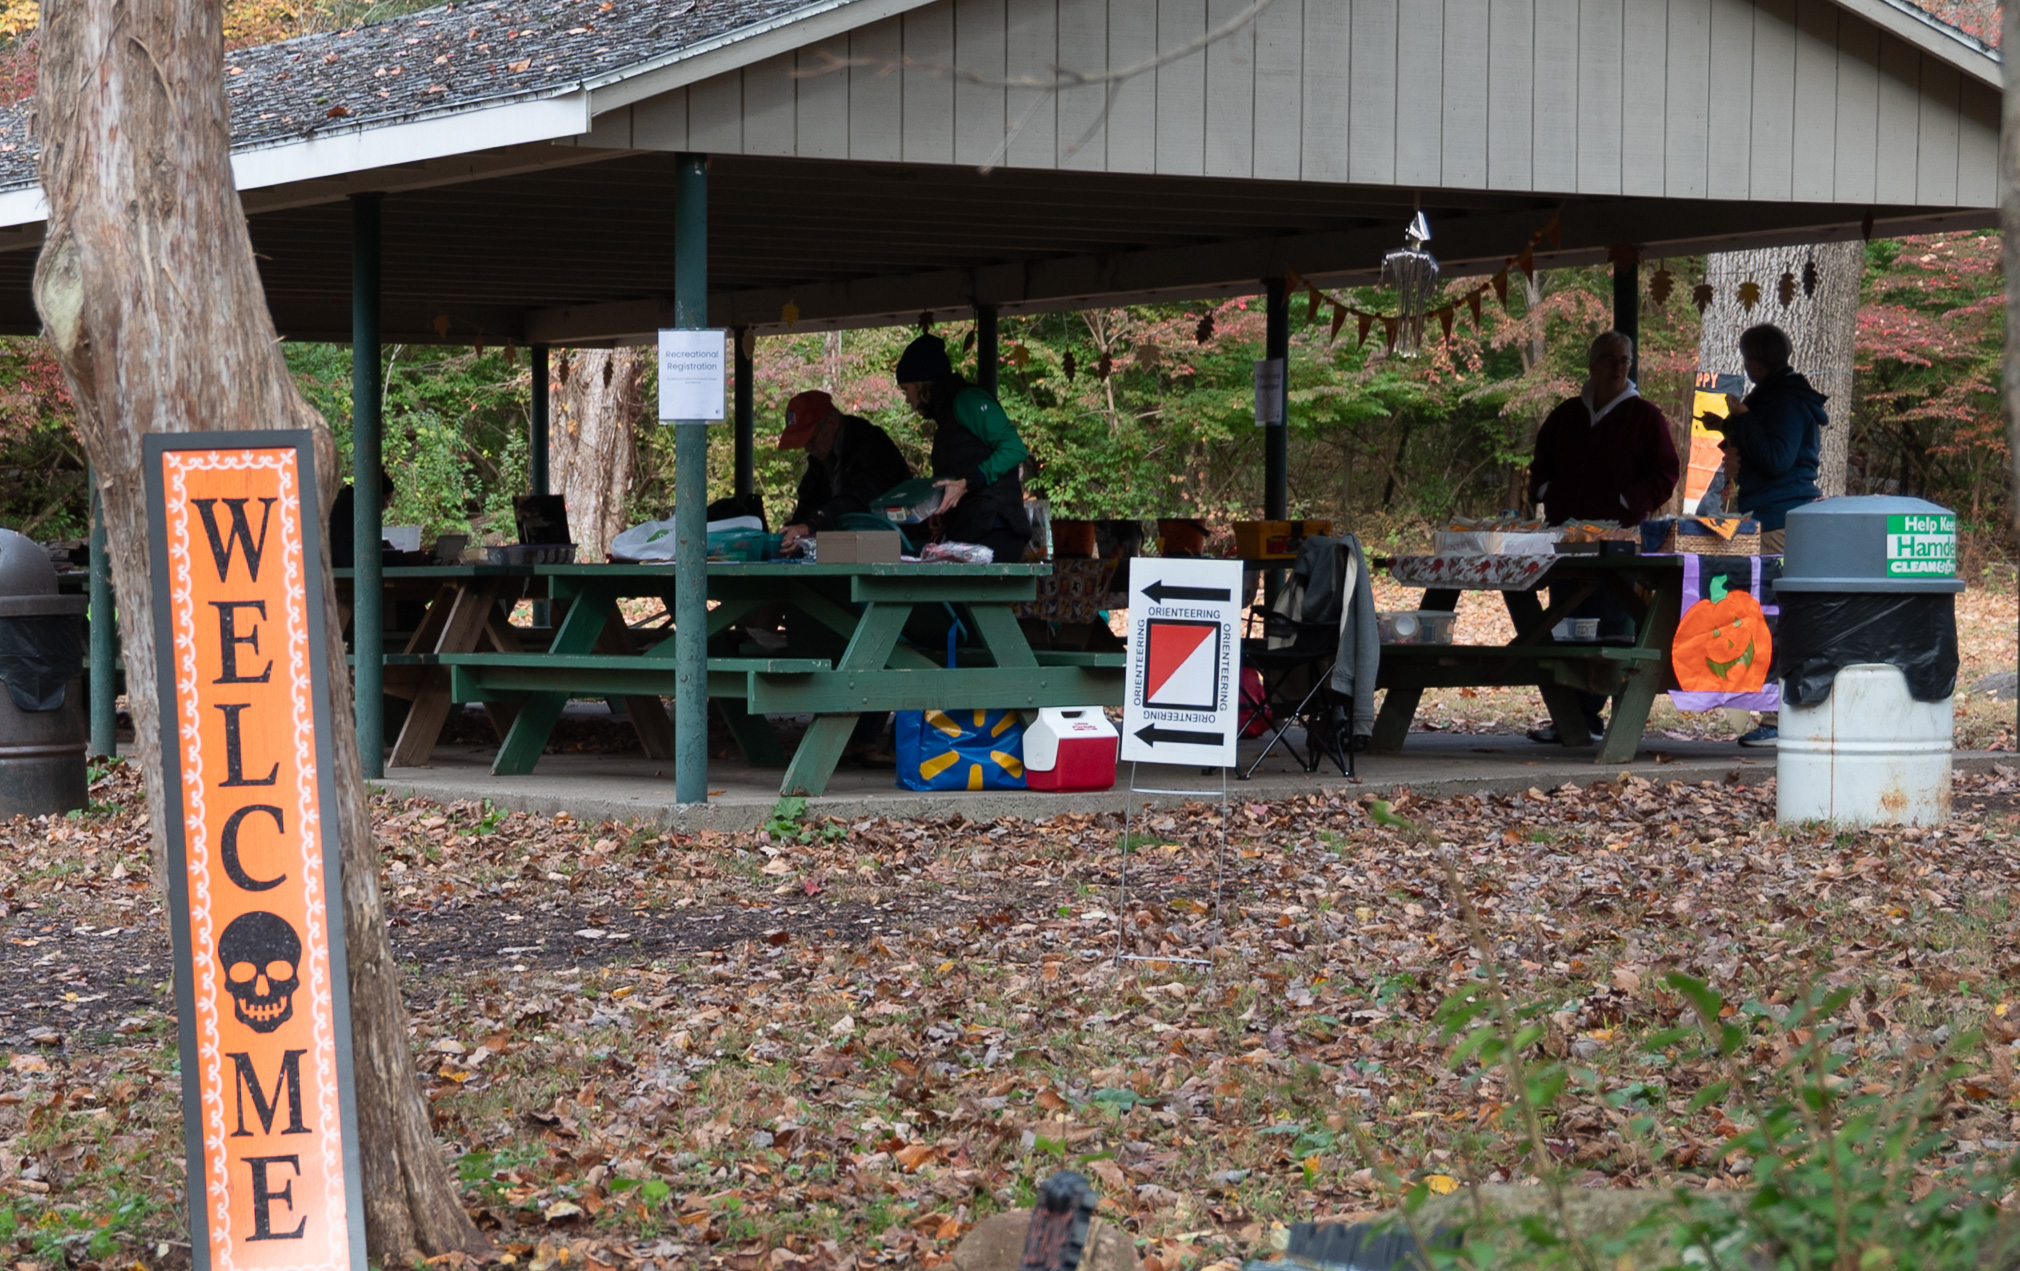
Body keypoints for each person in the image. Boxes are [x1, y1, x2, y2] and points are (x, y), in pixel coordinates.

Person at [1525, 330, 1681, 745]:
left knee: (1613, 621)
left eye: (1625, 360)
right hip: (1568, 538)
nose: (1619, 367)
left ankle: (1607, 714)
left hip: (1618, 537)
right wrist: (1547, 493)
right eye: (1611, 359)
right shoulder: (1566, 416)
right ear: (1593, 364)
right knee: (1565, 621)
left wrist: (1628, 499)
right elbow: (1540, 465)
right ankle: (1572, 717)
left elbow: (1665, 472)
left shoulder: (1645, 417)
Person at [1705, 322, 1829, 748]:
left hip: (1781, 518)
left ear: (1755, 362)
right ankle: (1776, 711)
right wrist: (1728, 430)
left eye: (1747, 361)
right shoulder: (1774, 398)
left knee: (1776, 615)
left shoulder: (1789, 402)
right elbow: (1761, 450)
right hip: (1765, 515)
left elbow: (1777, 458)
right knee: (1768, 613)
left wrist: (1744, 418)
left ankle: (1779, 717)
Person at [893, 333, 1034, 563]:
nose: (907, 399)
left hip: (997, 526)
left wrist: (966, 483)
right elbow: (962, 466)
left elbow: (1014, 448)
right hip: (972, 525)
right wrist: (943, 511)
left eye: (906, 389)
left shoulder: (968, 400)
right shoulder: (945, 416)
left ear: (921, 383)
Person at [776, 390, 912, 552]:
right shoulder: (821, 456)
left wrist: (814, 522)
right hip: (851, 548)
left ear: (832, 424)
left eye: (811, 440)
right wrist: (793, 530)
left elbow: (862, 497)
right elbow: (809, 500)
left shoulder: (869, 443)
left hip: (897, 545)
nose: (808, 448)